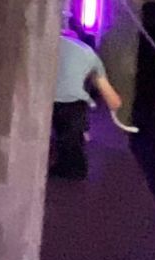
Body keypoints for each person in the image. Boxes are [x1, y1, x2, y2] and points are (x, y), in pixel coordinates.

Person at [51, 26, 122, 180]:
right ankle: (72, 172)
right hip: (74, 103)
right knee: (71, 142)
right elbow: (111, 98)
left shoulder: (50, 43)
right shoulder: (88, 53)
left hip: (47, 100)